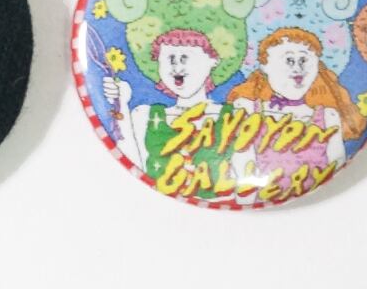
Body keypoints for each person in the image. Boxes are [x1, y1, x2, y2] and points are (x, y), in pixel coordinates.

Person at [103, 28, 255, 199]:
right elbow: (134, 163)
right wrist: (121, 104)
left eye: (185, 58)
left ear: (213, 61)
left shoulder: (234, 116)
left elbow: (248, 181)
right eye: (170, 59)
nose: (177, 67)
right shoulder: (145, 115)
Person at [227, 27, 365, 198]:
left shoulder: (328, 116)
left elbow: (336, 163)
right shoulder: (248, 109)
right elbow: (242, 160)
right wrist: (247, 199)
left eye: (304, 60)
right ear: (265, 66)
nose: (298, 68)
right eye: (289, 60)